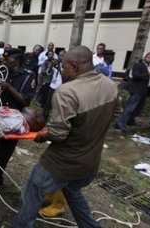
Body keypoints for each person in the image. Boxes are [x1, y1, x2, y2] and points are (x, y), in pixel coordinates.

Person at [13, 46, 119, 228]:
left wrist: (43, 134)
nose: (62, 70)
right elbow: (116, 113)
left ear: (75, 66)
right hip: (90, 162)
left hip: (62, 163)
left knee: (31, 194)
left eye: (63, 66)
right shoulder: (110, 85)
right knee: (72, 190)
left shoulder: (67, 91)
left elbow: (58, 133)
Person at [0, 48, 37, 195]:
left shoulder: (28, 77)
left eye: (8, 60)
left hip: (14, 122)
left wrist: (9, 88)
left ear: (17, 61)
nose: (5, 62)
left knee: (2, 154)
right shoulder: (2, 73)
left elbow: (25, 100)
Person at [116, 52, 150, 131]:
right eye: (148, 57)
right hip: (137, 90)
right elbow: (136, 75)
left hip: (144, 90)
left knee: (138, 108)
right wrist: (149, 74)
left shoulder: (149, 67)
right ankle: (121, 123)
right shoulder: (139, 65)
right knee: (131, 107)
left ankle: (130, 120)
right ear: (144, 57)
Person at [38, 50, 61, 119]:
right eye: (49, 54)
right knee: (45, 95)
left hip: (55, 83)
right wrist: (49, 69)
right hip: (47, 81)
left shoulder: (57, 62)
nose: (50, 55)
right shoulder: (46, 62)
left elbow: (59, 70)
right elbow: (43, 71)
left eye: (51, 54)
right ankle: (43, 107)